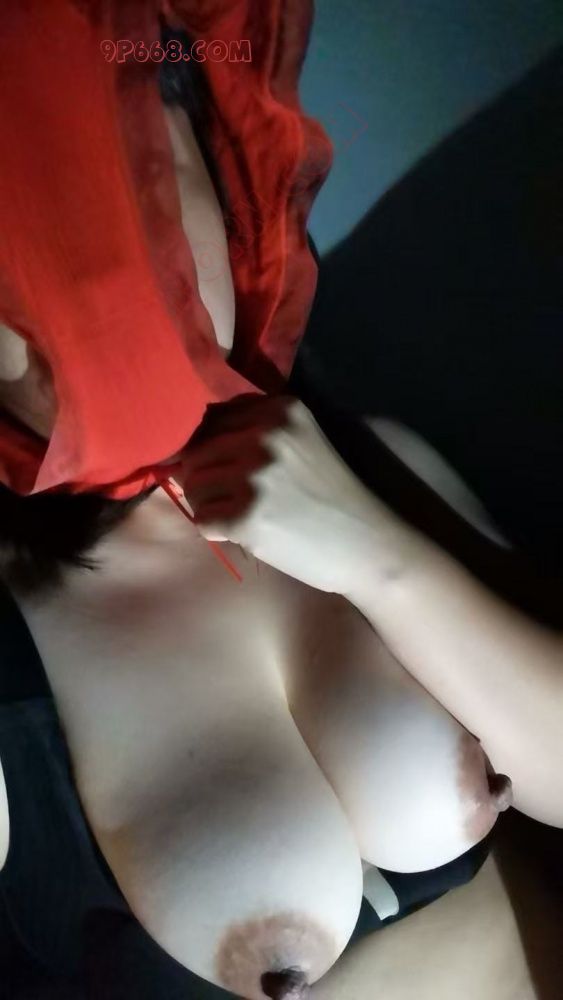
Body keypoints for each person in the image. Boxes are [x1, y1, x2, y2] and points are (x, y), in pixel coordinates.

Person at [0, 3, 560, 998]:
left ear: (222, 187)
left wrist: (378, 557)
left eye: (141, 194)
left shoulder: (369, 460)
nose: (98, 282)